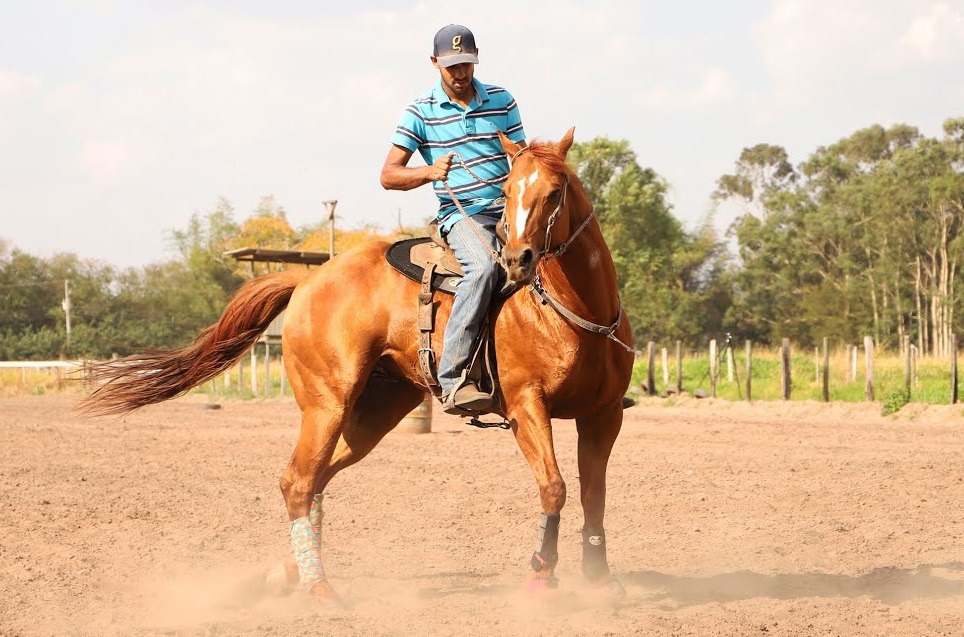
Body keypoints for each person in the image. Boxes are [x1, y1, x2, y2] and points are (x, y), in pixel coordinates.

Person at [380, 24, 527, 413]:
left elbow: (522, 159)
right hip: (463, 215)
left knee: (562, 253)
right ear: (435, 63)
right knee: (481, 269)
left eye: (467, 64)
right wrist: (429, 172)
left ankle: (593, 378)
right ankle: (455, 377)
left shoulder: (502, 101)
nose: (461, 73)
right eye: (452, 67)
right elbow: (389, 175)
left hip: (509, 211)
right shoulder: (419, 112)